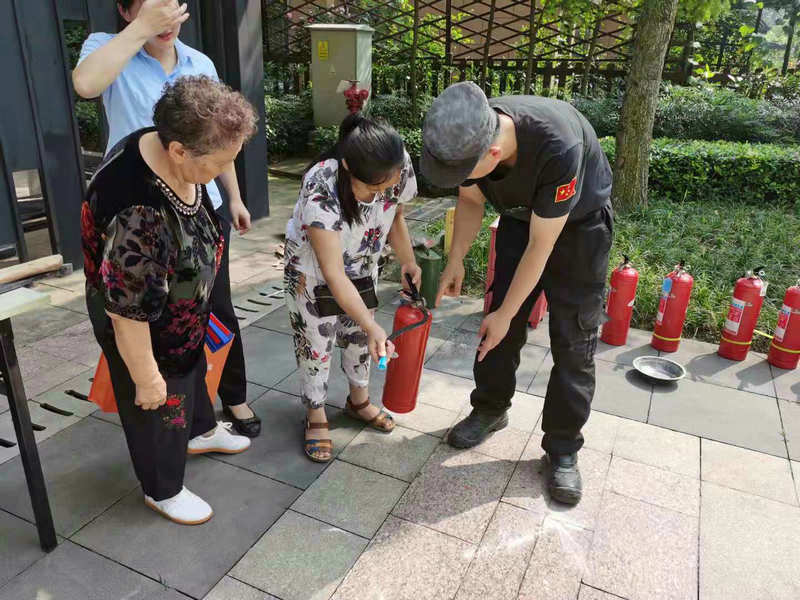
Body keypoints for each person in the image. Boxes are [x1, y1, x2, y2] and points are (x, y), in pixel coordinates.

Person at [73, 0, 261, 437]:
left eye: (170, 3)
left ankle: (230, 397)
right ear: (126, 11)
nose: (165, 16)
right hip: (142, 218)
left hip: (200, 204)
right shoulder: (108, 46)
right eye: (150, 5)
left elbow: (219, 142)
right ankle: (170, 412)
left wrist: (234, 198)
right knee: (149, 317)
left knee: (215, 306)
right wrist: (140, 29)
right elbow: (85, 84)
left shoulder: (199, 63)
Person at [421, 82, 614, 505]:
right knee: (496, 324)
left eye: (462, 173)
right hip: (519, 219)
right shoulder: (471, 130)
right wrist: (456, 260)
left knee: (573, 339)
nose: (460, 181)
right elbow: (470, 202)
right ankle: (491, 407)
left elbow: (542, 245)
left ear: (492, 154)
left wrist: (509, 312)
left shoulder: (558, 147)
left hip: (578, 230)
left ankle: (562, 447)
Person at [81, 76, 257, 524]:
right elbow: (128, 315)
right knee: (159, 399)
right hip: (143, 327)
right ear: (179, 150)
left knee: (191, 370)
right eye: (219, 163)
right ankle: (162, 488)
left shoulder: (162, 144)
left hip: (180, 312)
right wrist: (145, 378)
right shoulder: (138, 214)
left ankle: (200, 432)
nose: (225, 171)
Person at [284, 114, 421, 463]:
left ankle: (358, 401)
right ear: (348, 167)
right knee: (316, 345)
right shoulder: (321, 186)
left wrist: (408, 261)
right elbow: (333, 274)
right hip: (313, 274)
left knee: (361, 339)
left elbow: (396, 215)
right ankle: (315, 413)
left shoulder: (396, 164)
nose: (381, 195)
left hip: (362, 265)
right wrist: (374, 325)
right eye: (373, 190)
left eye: (388, 186)